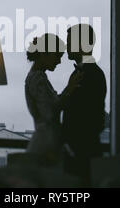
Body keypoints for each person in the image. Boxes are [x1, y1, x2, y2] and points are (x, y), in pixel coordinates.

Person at [25, 33, 83, 166]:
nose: (59, 61)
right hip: (46, 145)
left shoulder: (36, 77)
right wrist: (69, 88)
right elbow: (49, 112)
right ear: (45, 53)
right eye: (57, 56)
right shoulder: (38, 79)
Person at [62, 24, 107, 184]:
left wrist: (71, 144)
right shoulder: (83, 73)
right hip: (77, 152)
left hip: (82, 153)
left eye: (69, 42)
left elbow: (92, 118)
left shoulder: (92, 75)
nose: (66, 47)